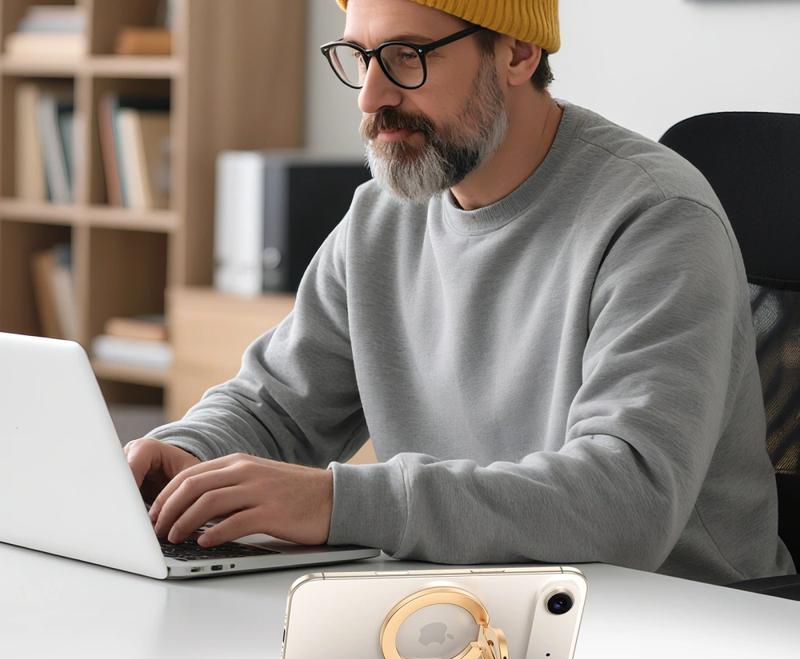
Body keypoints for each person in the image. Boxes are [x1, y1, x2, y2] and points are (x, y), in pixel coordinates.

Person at [126, 0, 796, 586]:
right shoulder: (382, 217)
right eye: (360, 57)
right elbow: (278, 406)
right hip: (474, 607)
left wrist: (336, 504)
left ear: (518, 52)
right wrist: (188, 455)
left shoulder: (657, 219)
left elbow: (627, 501)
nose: (371, 96)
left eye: (408, 56)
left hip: (681, 626)